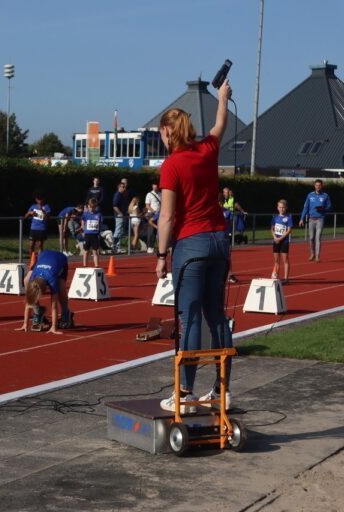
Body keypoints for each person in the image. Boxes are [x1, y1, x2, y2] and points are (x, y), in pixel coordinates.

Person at [156, 78, 234, 413]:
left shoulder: (171, 165)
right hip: (220, 242)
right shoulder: (206, 151)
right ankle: (222, 389)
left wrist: (160, 255)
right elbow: (220, 125)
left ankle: (185, 390)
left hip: (191, 246)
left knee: (188, 318)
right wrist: (223, 97)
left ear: (168, 132)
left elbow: (167, 217)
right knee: (216, 317)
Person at [15, 249, 71, 334]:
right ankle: (38, 311)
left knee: (61, 288)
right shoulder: (32, 278)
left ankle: (65, 313)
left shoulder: (52, 280)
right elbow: (28, 303)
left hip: (60, 260)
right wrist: (25, 324)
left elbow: (54, 306)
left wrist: (54, 327)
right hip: (43, 257)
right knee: (26, 280)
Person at [299, 179, 332, 262]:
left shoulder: (325, 195)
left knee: (318, 238)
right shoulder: (310, 195)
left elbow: (329, 206)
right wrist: (301, 218)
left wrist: (323, 209)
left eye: (319, 185)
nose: (318, 187)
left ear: (322, 186)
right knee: (311, 238)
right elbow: (306, 207)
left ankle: (317, 256)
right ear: (314, 186)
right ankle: (312, 254)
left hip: (320, 219)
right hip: (311, 219)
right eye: (316, 185)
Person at [24, 191, 51, 260]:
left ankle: (40, 259)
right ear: (36, 199)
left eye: (41, 199)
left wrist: (42, 210)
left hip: (42, 228)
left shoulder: (47, 206)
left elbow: (48, 217)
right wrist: (30, 212)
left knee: (40, 245)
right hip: (33, 228)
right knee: (31, 245)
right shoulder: (33, 206)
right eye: (38, 199)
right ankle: (32, 260)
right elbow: (25, 217)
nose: (40, 201)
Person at [271, 199, 293, 283]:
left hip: (284, 241)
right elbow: (272, 228)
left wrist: (280, 238)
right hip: (276, 241)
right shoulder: (275, 217)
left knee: (285, 260)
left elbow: (289, 230)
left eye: (283, 207)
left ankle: (286, 278)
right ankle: (276, 276)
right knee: (276, 260)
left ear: (286, 208)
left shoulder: (288, 217)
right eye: (280, 207)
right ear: (277, 208)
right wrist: (275, 237)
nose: (281, 209)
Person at [81, 198, 102, 268]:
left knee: (95, 251)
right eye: (90, 207)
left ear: (96, 207)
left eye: (93, 207)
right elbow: (83, 221)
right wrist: (83, 228)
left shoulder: (98, 215)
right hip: (87, 235)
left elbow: (100, 224)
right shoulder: (85, 214)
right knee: (86, 251)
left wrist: (100, 231)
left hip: (95, 235)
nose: (92, 209)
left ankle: (96, 265)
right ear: (88, 206)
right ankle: (85, 265)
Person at [112, 182, 128, 253]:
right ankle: (115, 247)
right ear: (119, 188)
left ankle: (117, 247)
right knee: (118, 231)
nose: (124, 188)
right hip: (119, 216)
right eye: (123, 187)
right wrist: (121, 213)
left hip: (122, 215)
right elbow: (115, 206)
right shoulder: (118, 195)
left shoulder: (122, 195)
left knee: (120, 231)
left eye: (125, 187)